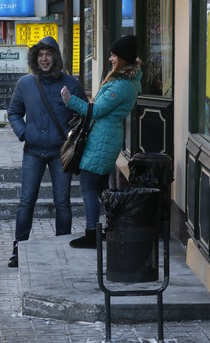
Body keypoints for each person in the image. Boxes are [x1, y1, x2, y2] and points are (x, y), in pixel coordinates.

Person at [6, 36, 86, 266]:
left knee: (62, 202)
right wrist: (24, 133)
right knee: (26, 201)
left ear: (56, 58)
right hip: (33, 151)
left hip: (61, 153)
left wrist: (73, 138)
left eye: (48, 54)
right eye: (40, 54)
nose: (44, 59)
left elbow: (83, 116)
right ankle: (18, 248)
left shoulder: (71, 84)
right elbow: (13, 113)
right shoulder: (25, 84)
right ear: (35, 58)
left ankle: (62, 246)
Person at [60, 35, 141, 249]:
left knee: (88, 184)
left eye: (114, 55)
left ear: (123, 58)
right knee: (101, 188)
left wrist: (70, 100)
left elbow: (96, 110)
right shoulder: (123, 81)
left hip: (103, 140)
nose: (111, 58)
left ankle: (91, 233)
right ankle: (114, 225)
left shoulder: (122, 85)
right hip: (104, 138)